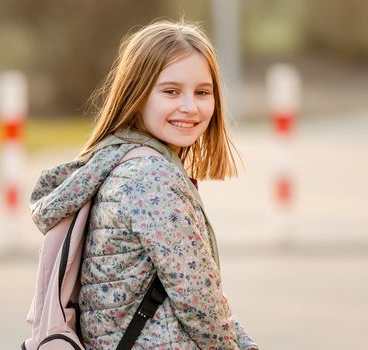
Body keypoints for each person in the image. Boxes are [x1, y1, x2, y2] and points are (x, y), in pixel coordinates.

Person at [29, 20, 258, 350]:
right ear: (136, 95)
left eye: (202, 92)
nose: (190, 107)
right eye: (171, 91)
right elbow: (199, 303)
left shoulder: (119, 162)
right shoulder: (151, 178)